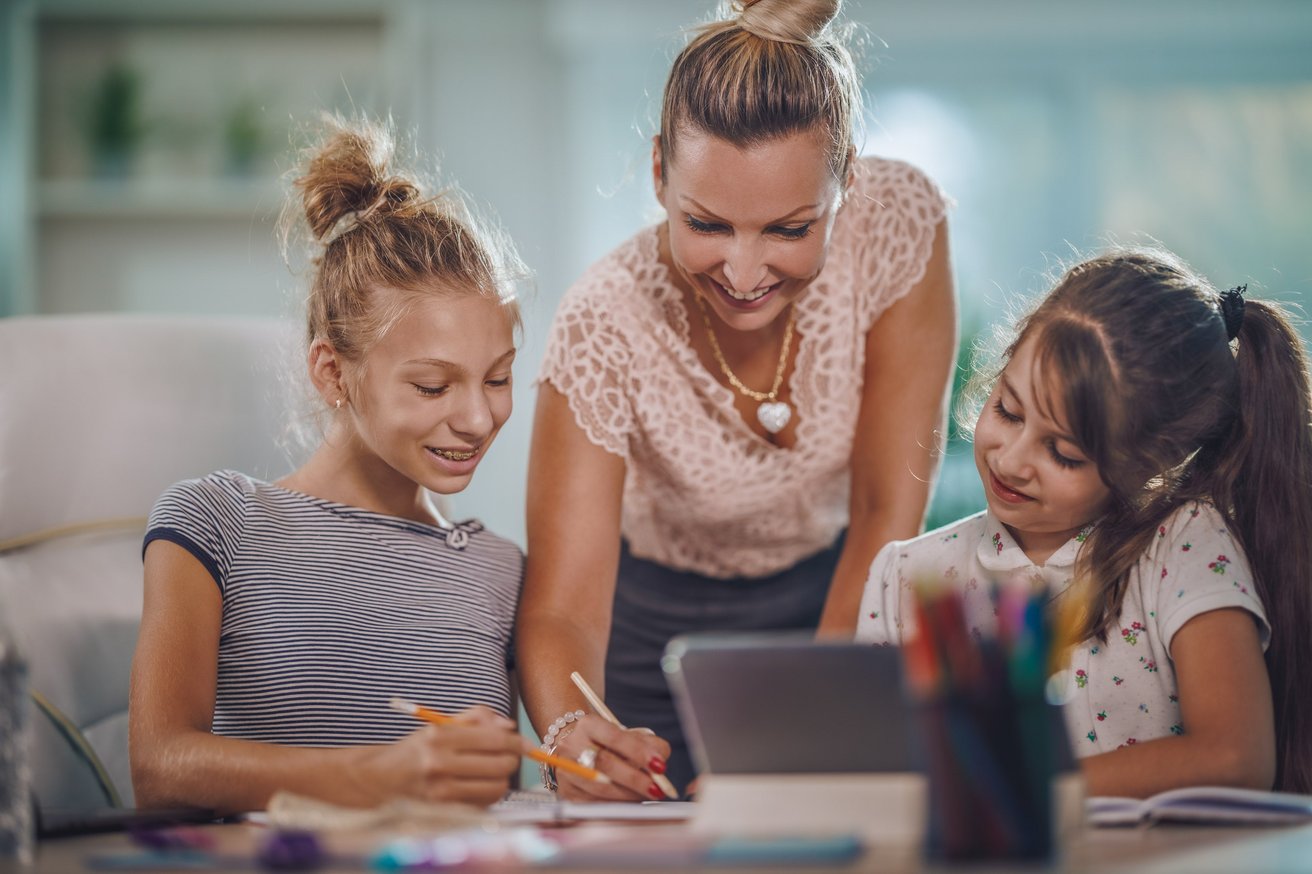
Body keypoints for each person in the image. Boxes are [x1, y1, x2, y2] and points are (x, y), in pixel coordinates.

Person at [519, 0, 957, 798]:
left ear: (847, 181)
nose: (745, 273)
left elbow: (886, 512)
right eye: (708, 224)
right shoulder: (603, 320)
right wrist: (568, 736)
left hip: (844, 597)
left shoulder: (898, 222)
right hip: (650, 639)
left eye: (790, 231)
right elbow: (564, 608)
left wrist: (808, 716)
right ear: (658, 173)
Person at [129, 117, 528, 813]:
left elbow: (498, 799)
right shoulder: (216, 523)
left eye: (497, 378)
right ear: (332, 372)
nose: (478, 418)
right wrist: (370, 781)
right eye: (433, 386)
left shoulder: (498, 569)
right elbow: (160, 763)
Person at [856, 247, 1312, 797]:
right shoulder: (903, 575)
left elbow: (1236, 757)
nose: (1011, 459)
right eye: (1007, 410)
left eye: (1064, 453)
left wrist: (1023, 784)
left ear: (1152, 463)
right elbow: (877, 775)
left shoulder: (1184, 546)